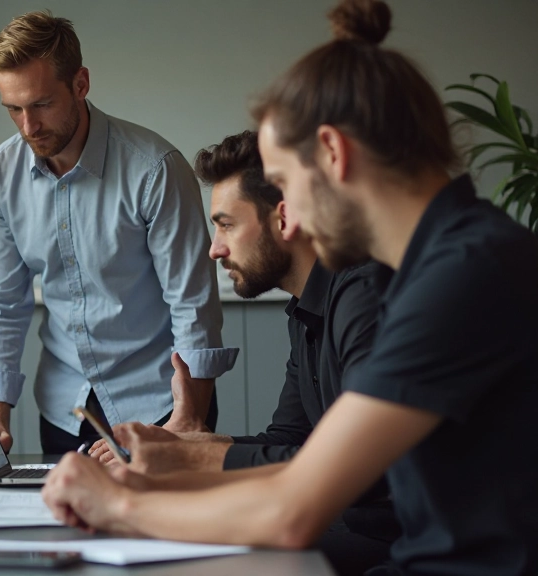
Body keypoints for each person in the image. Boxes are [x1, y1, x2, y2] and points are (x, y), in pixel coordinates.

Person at [40, 1, 538, 574]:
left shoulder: (462, 276)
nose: (289, 218)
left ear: (332, 153)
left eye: (282, 183)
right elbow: (308, 471)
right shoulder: (441, 264)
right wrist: (176, 471)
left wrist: (120, 505)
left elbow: (293, 511)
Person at [91, 130, 397, 576]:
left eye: (226, 224)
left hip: (397, 544)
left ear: (284, 218)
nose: (215, 248)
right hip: (350, 531)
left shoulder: (364, 296)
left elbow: (362, 471)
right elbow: (289, 443)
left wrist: (192, 458)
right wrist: (183, 442)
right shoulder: (307, 311)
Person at [0, 11, 237, 461]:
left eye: (40, 104)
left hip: (160, 406)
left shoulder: (154, 168)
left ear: (80, 84)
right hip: (64, 410)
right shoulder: (0, 173)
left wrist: (190, 419)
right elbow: (1, 302)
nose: (28, 127)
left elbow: (191, 301)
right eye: (14, 109)